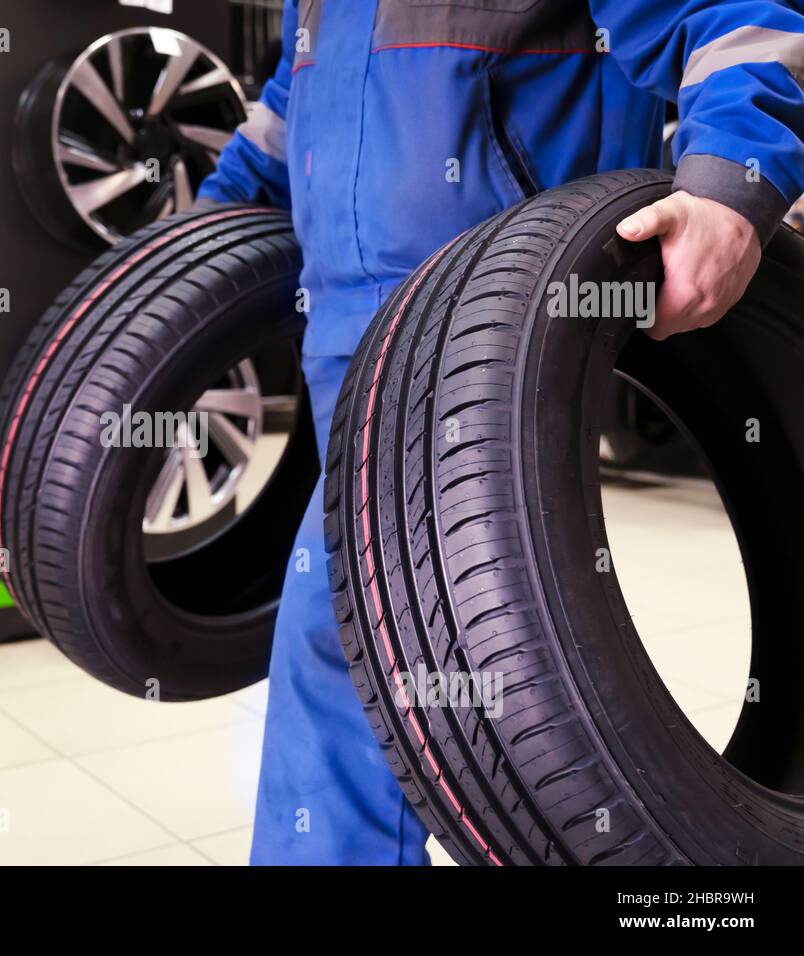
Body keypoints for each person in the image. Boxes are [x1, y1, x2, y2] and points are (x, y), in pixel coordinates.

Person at [196, 0, 804, 865]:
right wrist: (192, 246)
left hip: (485, 337)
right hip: (341, 334)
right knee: (389, 652)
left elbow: (733, 18)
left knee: (345, 639)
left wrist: (730, 192)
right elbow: (293, 107)